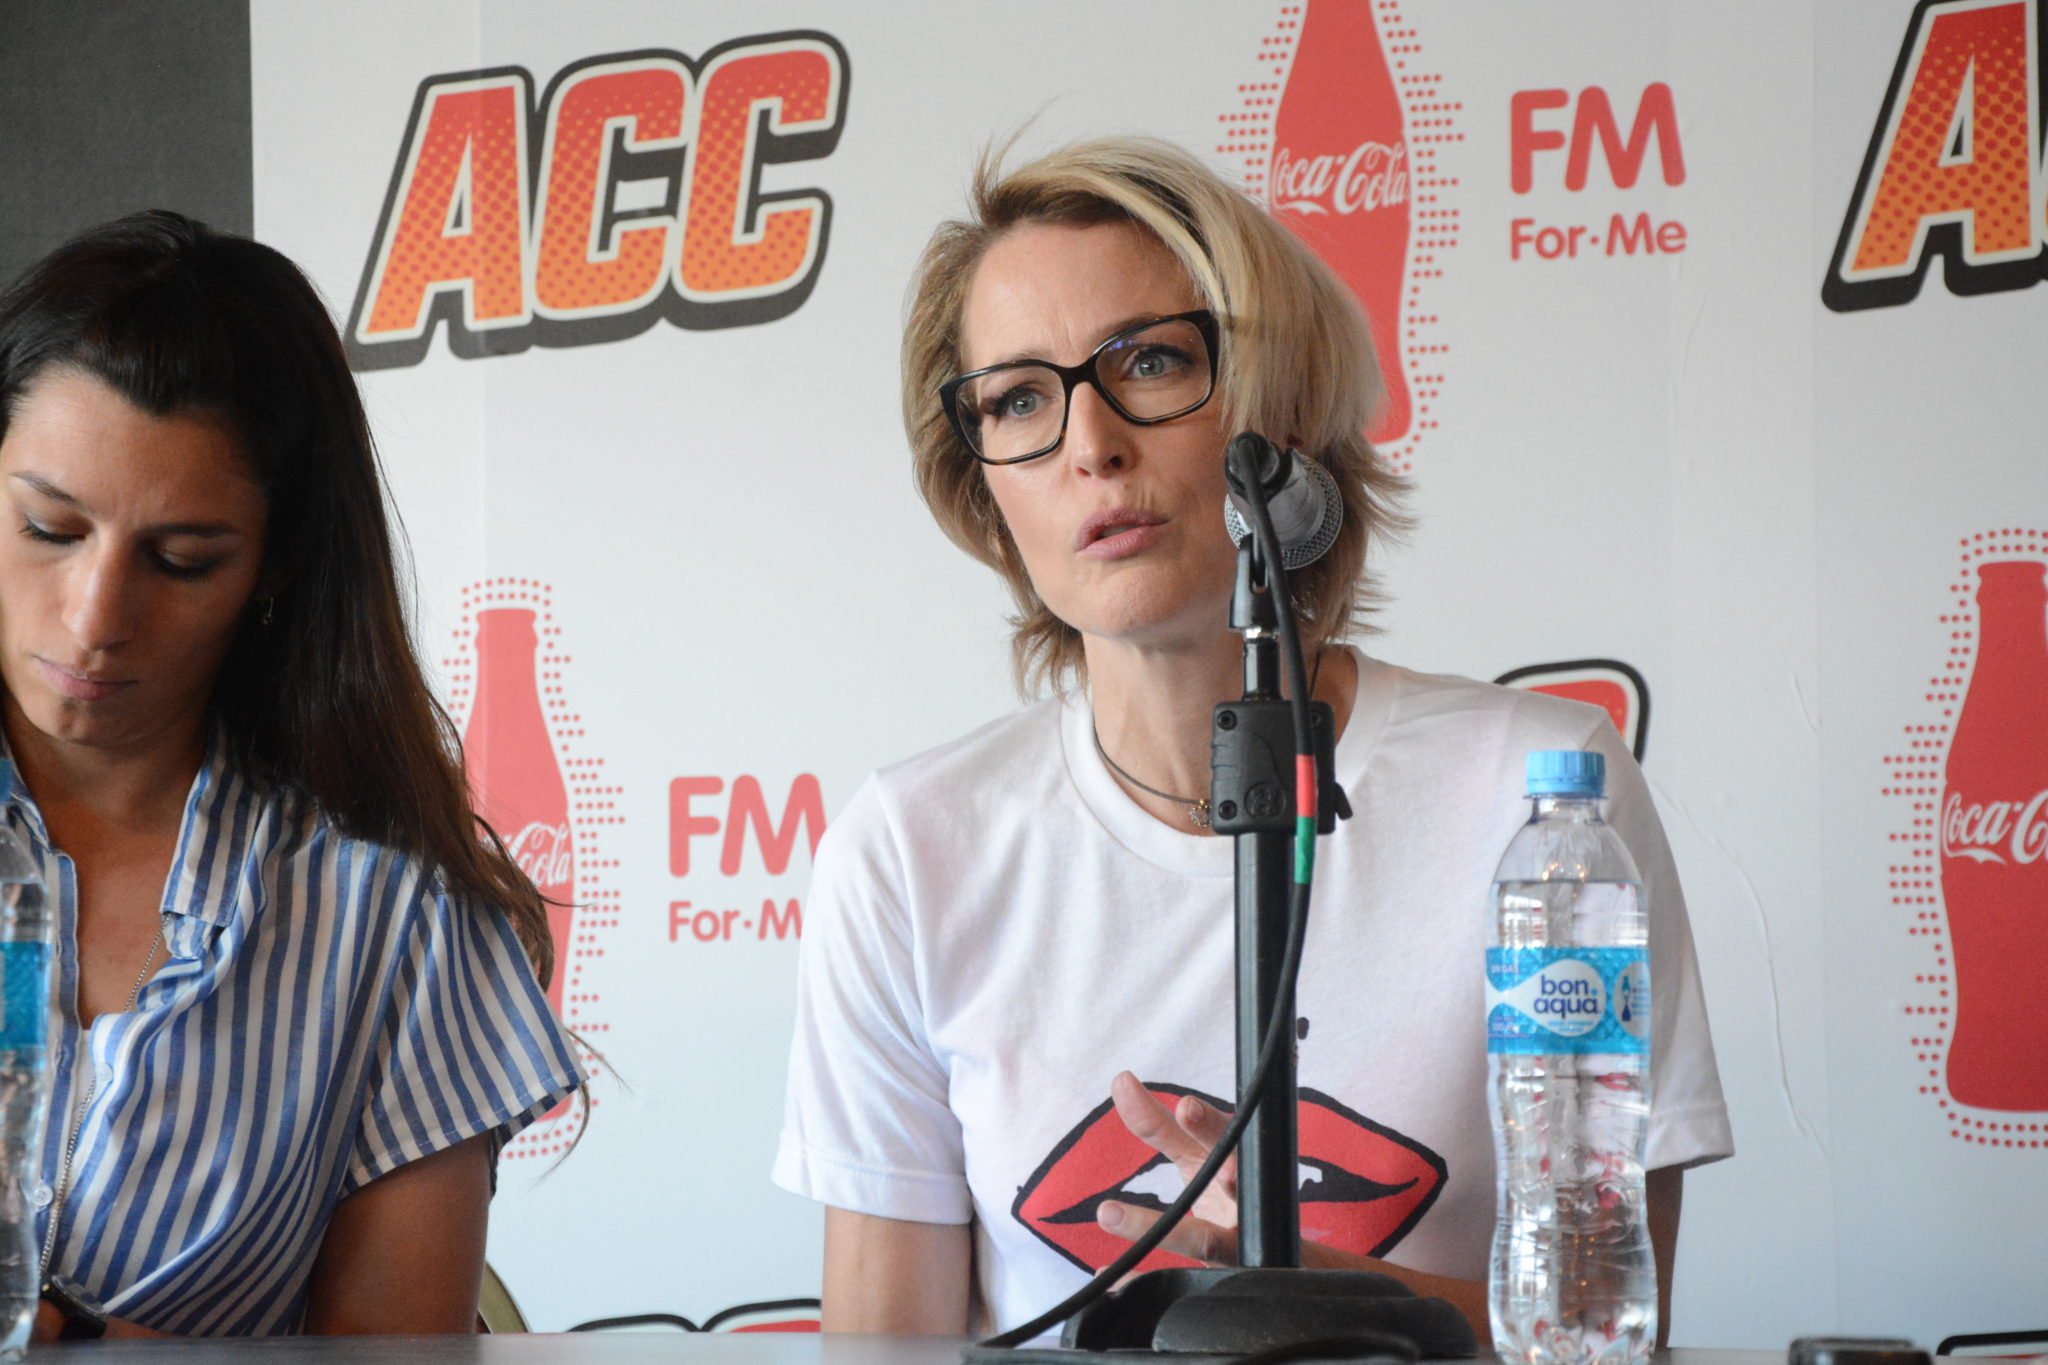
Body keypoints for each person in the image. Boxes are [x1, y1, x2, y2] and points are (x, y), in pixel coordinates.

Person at [773, 137, 1734, 1341]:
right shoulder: (910, 847)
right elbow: (887, 1354)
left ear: (1283, 418)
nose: (1088, 442)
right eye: (1017, 399)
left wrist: (1318, 1301)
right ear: (980, 486)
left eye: (1151, 361)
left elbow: (1598, 1329)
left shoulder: (1541, 805)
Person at [0, 211, 582, 1338]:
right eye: (49, 529)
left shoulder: (395, 917)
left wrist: (66, 1338)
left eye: (181, 560)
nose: (95, 617)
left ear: (276, 567)